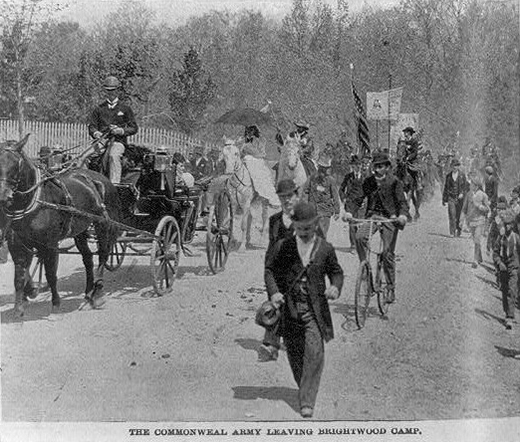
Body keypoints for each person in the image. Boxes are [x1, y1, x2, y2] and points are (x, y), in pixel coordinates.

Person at [264, 201, 343, 418]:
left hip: (314, 312)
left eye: (308, 228)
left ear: (316, 224)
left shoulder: (325, 249)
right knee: (295, 354)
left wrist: (335, 286)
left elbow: (337, 272)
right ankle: (304, 386)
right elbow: (270, 269)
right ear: (294, 226)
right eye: (300, 229)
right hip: (290, 310)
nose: (304, 233)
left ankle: (307, 400)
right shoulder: (285, 246)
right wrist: (274, 293)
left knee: (315, 352)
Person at [344, 151, 409, 304]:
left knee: (387, 253)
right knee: (359, 237)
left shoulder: (395, 182)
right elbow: (356, 199)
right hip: (372, 217)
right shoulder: (368, 182)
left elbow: (402, 203)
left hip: (390, 219)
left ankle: (391, 287)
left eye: (381, 166)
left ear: (387, 167)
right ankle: (365, 269)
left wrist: (403, 215)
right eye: (376, 166)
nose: (377, 170)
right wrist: (348, 211)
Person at [258, 179, 300, 363]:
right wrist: (274, 291)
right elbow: (269, 263)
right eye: (282, 197)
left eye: (290, 196)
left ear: (297, 196)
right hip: (279, 275)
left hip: (300, 280)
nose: (287, 201)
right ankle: (271, 345)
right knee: (272, 305)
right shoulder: (274, 221)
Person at [88, 76, 138, 184]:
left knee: (113, 156)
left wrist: (121, 131)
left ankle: (114, 184)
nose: (111, 93)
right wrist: (96, 133)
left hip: (118, 141)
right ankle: (83, 182)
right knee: (83, 156)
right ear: (105, 91)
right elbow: (92, 126)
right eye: (108, 90)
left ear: (118, 90)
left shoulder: (125, 109)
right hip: (101, 141)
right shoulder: (99, 109)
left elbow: (134, 128)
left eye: (113, 90)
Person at [302, 152, 341, 239]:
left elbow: (335, 196)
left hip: (325, 211)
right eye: (323, 168)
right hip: (313, 210)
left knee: (322, 233)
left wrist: (337, 211)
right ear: (320, 168)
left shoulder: (331, 180)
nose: (326, 171)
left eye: (327, 169)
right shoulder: (311, 179)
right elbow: (305, 192)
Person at [492, 209, 520, 330]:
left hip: (514, 267)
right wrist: (499, 263)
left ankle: (510, 316)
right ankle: (507, 311)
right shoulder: (501, 238)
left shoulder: (517, 238)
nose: (508, 226)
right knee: (504, 290)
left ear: (513, 225)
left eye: (510, 224)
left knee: (512, 290)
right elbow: (495, 253)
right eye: (506, 224)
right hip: (503, 268)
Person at [462, 177, 490, 268]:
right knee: (475, 240)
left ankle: (475, 260)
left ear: (476, 186)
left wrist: (480, 206)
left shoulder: (483, 195)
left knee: (477, 239)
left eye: (471, 184)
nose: (470, 185)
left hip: (480, 221)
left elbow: (487, 209)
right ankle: (479, 257)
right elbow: (464, 208)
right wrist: (461, 220)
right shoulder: (468, 194)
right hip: (471, 221)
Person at [339, 155, 365, 251]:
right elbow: (341, 189)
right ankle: (353, 245)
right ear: (352, 166)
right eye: (355, 165)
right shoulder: (348, 177)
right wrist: (344, 199)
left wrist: (365, 201)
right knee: (352, 225)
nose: (358, 167)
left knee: (361, 225)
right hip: (350, 204)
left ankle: (362, 244)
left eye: (359, 165)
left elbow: (370, 191)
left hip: (361, 205)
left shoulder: (365, 177)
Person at [442, 158, 468, 237]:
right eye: (453, 166)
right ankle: (452, 232)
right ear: (451, 166)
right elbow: (446, 187)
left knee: (459, 215)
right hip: (451, 197)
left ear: (458, 167)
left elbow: (465, 187)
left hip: (460, 198)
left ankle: (458, 230)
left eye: (456, 166)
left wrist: (462, 193)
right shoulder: (448, 176)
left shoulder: (462, 175)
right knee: (452, 214)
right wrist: (444, 199)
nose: (455, 167)